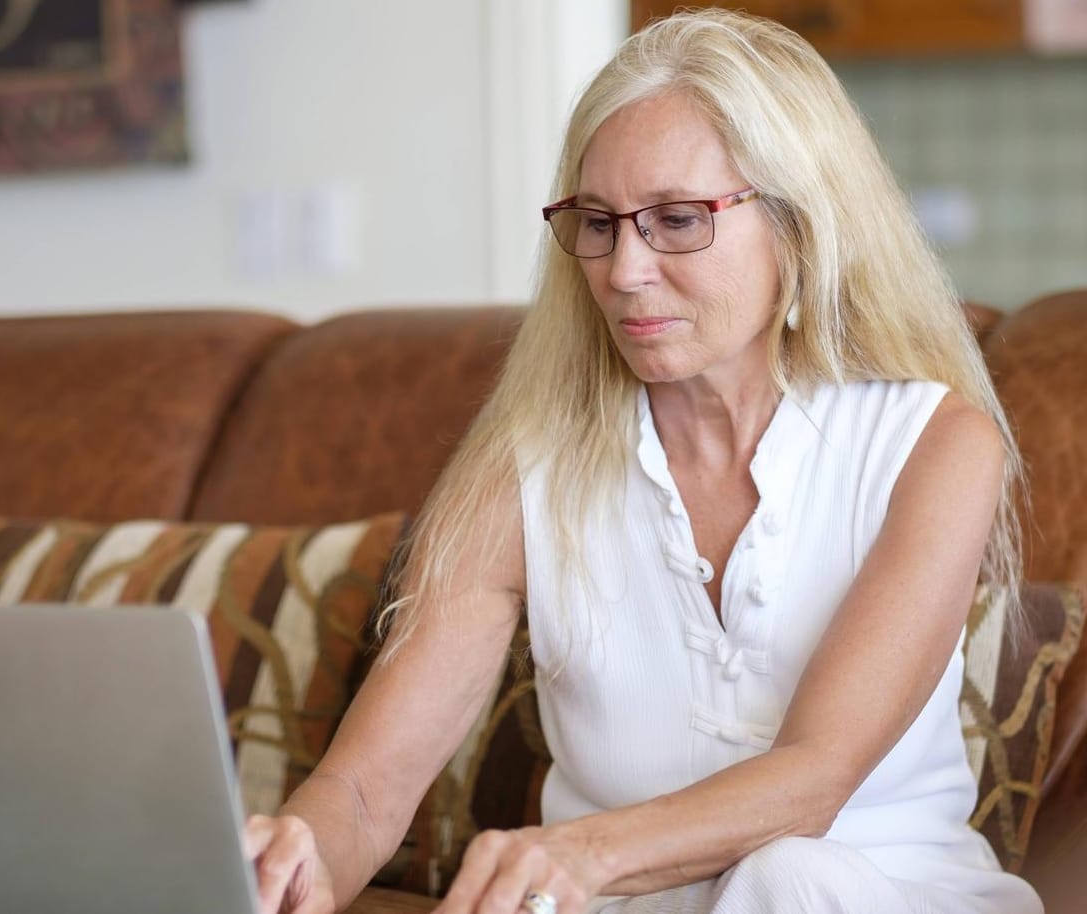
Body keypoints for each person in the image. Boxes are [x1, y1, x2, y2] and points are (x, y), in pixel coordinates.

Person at [243, 9, 1044, 914]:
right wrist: (294, 853)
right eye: (598, 222)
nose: (624, 270)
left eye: (675, 220)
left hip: (873, 899)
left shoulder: (931, 445)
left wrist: (577, 856)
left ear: (799, 224)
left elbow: (814, 780)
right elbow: (365, 791)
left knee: (788, 878)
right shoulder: (523, 470)